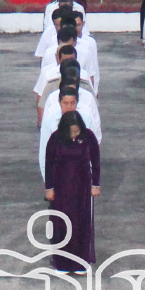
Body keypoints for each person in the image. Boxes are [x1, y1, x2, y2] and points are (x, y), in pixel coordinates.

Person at [42, 109, 101, 268]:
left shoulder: (88, 137)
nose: (74, 135)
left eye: (77, 131)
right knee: (62, 222)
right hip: (61, 187)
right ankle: (62, 262)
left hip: (82, 187)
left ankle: (80, 261)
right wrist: (49, 188)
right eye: (71, 132)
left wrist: (95, 185)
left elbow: (96, 161)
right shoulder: (55, 138)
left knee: (81, 222)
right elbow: (49, 164)